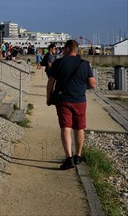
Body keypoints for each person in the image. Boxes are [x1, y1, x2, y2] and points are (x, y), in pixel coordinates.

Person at [47, 39, 96, 170]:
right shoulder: (85, 64)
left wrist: (49, 98)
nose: (63, 50)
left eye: (64, 48)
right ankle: (78, 156)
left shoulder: (58, 63)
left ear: (68, 48)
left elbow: (50, 82)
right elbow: (92, 84)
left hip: (63, 100)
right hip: (80, 100)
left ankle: (69, 158)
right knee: (79, 128)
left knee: (65, 128)